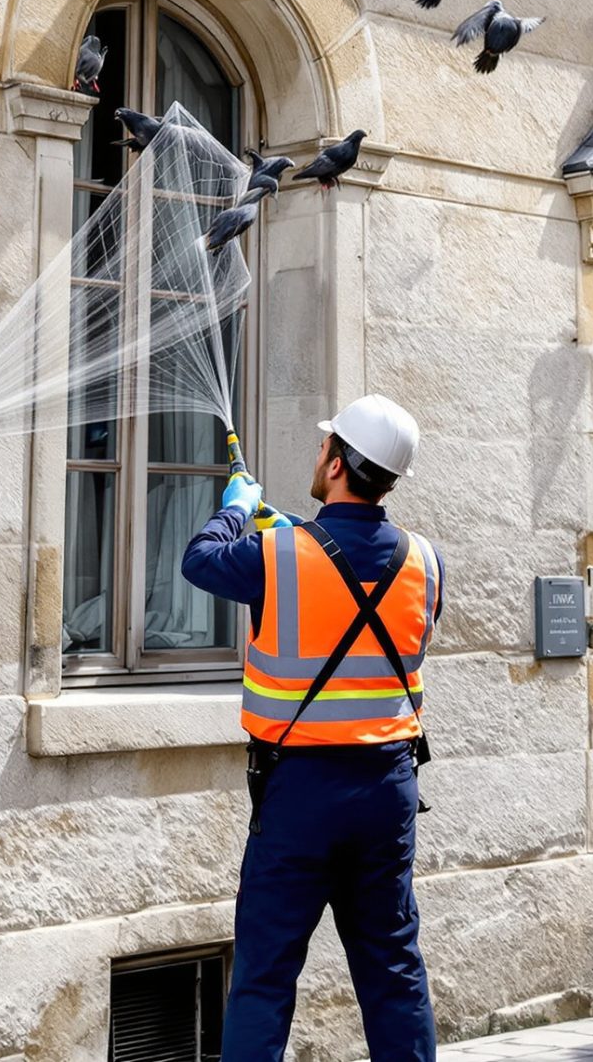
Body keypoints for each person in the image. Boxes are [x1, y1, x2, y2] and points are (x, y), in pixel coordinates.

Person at [181, 394, 447, 1062]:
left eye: (323, 446)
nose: (316, 454)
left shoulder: (275, 553)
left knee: (264, 979)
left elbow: (199, 558)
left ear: (335, 463)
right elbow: (358, 573)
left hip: (298, 792)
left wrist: (237, 506)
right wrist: (301, 534)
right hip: (387, 791)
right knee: (393, 969)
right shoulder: (425, 561)